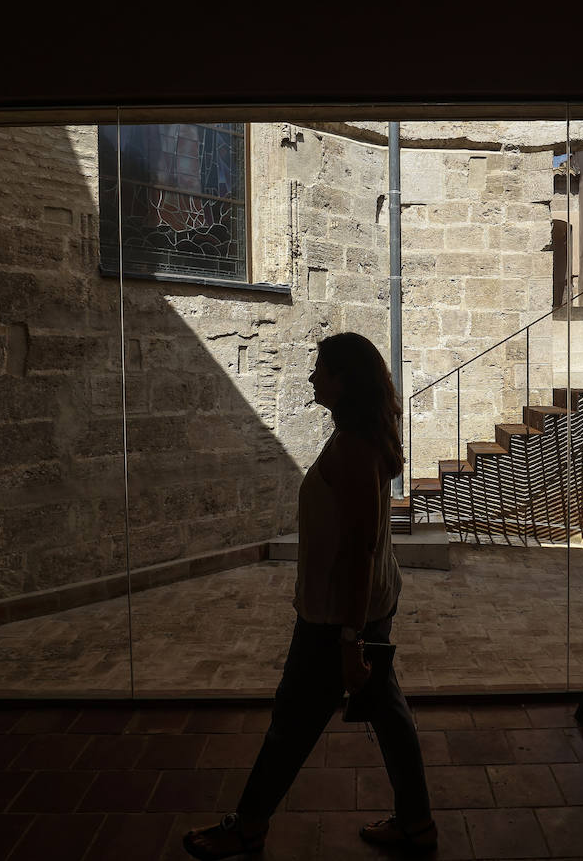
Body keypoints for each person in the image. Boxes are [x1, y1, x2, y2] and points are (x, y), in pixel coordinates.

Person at [184, 332, 436, 859]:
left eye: (321, 369)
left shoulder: (352, 448)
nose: (312, 377)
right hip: (362, 609)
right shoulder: (361, 438)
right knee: (388, 716)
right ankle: (416, 824)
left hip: (337, 619)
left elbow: (361, 548)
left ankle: (249, 825)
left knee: (291, 724)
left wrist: (348, 641)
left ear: (345, 381)